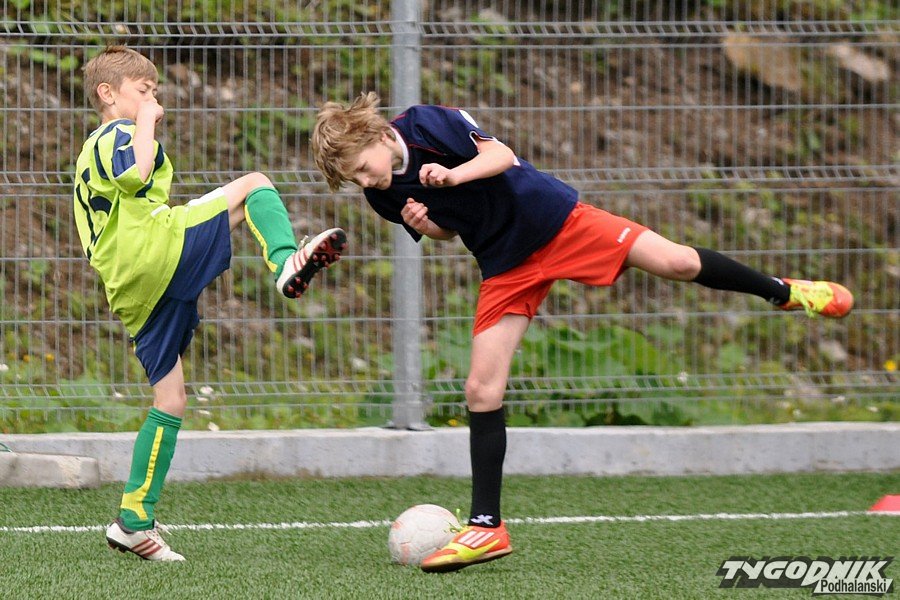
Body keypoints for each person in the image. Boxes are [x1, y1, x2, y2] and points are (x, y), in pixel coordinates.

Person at [311, 92, 853, 573]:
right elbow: (451, 230)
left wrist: (453, 176)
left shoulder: (427, 124)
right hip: (505, 263)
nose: (365, 183)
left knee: (678, 263)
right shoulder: (382, 195)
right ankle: (487, 525)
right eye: (355, 180)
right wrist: (430, 226)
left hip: (559, 222)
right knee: (480, 389)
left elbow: (502, 157)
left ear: (377, 136)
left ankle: (782, 291)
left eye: (362, 169)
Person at [74, 46, 347, 561]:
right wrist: (146, 121)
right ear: (107, 94)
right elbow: (136, 173)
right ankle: (285, 262)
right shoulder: (115, 134)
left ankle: (133, 519)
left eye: (155, 91)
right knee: (255, 185)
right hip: (151, 250)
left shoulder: (94, 150)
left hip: (131, 288)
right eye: (143, 90)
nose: (153, 98)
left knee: (171, 400)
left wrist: (146, 118)